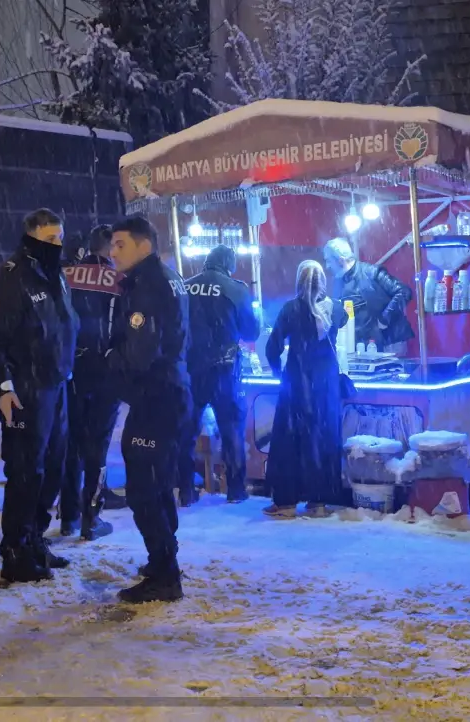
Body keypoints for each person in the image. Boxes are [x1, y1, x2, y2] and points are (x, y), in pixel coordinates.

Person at [0, 209, 78, 584]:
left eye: (60, 238)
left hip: (56, 388)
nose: (59, 245)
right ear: (32, 236)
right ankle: (15, 550)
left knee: (53, 468)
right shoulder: (10, 278)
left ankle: (35, 538)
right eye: (51, 239)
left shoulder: (56, 277)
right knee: (24, 471)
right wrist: (2, 388)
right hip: (25, 391)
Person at [105, 215, 192, 604]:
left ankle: (165, 573)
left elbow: (140, 353)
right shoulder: (166, 277)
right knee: (157, 482)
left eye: (120, 244)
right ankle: (163, 560)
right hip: (169, 392)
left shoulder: (147, 287)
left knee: (143, 487)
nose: (112, 252)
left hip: (156, 395)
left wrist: (110, 358)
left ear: (144, 245)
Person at [263, 260, 349, 519]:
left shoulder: (290, 309)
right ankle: (319, 500)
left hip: (297, 383)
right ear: (323, 281)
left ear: (299, 281)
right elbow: (344, 321)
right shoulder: (335, 309)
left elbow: (272, 347)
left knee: (290, 441)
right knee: (323, 440)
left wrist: (279, 372)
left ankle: (287, 502)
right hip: (326, 385)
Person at [180, 245, 260, 505]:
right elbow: (251, 332)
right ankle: (236, 489)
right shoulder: (236, 289)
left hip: (190, 369)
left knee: (186, 431)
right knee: (232, 429)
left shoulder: (185, 285)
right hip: (223, 370)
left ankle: (185, 488)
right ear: (229, 264)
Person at [56, 225, 122, 540]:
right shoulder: (119, 281)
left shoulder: (66, 276)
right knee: (98, 446)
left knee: (72, 445)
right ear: (109, 248)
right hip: (103, 371)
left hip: (70, 370)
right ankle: (91, 517)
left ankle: (67, 515)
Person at [322, 237, 414, 352]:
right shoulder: (339, 282)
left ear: (340, 260)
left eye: (328, 261)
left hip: (390, 343)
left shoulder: (372, 272)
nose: (327, 266)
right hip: (363, 347)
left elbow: (403, 292)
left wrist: (385, 318)